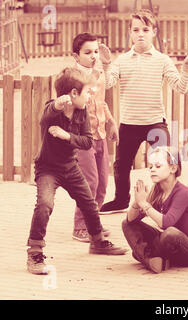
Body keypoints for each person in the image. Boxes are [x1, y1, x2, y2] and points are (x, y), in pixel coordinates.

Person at [98, 9, 188, 215]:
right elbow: (108, 83)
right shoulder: (122, 60)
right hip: (129, 123)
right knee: (121, 165)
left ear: (154, 32)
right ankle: (120, 200)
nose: (140, 34)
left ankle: (166, 200)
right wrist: (106, 63)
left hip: (155, 122)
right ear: (129, 32)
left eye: (145, 29)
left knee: (165, 162)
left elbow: (181, 87)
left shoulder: (162, 60)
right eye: (136, 30)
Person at [26, 67, 127, 275]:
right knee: (45, 204)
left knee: (89, 203)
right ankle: (35, 252)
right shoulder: (51, 110)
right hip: (48, 169)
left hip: (70, 167)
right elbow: (45, 117)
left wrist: (67, 136)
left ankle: (97, 241)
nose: (90, 95)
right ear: (73, 93)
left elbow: (87, 142)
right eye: (88, 91)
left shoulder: (82, 112)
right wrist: (56, 104)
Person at [122, 146, 188, 273]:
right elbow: (131, 220)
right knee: (126, 224)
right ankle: (151, 260)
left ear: (173, 168)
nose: (152, 170)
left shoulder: (183, 192)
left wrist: (144, 204)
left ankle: (146, 256)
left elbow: (166, 223)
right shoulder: (156, 190)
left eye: (158, 166)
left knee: (170, 233)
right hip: (168, 243)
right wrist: (137, 202)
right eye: (151, 167)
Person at [71, 32, 119, 242]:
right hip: (83, 137)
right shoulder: (72, 78)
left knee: (102, 182)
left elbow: (102, 102)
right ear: (76, 55)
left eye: (95, 52)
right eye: (87, 52)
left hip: (100, 135)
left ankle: (94, 222)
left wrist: (111, 122)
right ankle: (80, 226)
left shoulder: (99, 75)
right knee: (89, 181)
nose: (93, 56)